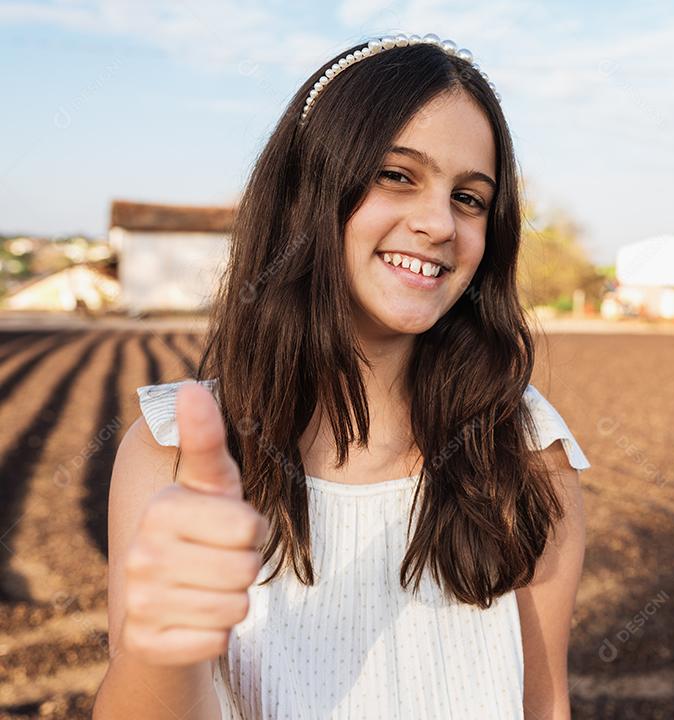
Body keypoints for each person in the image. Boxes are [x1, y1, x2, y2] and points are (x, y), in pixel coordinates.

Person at [92, 32, 591, 720]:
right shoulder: (169, 453)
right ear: (307, 192)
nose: (439, 223)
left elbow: (546, 705)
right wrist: (160, 646)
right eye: (397, 175)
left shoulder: (528, 451)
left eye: (470, 198)